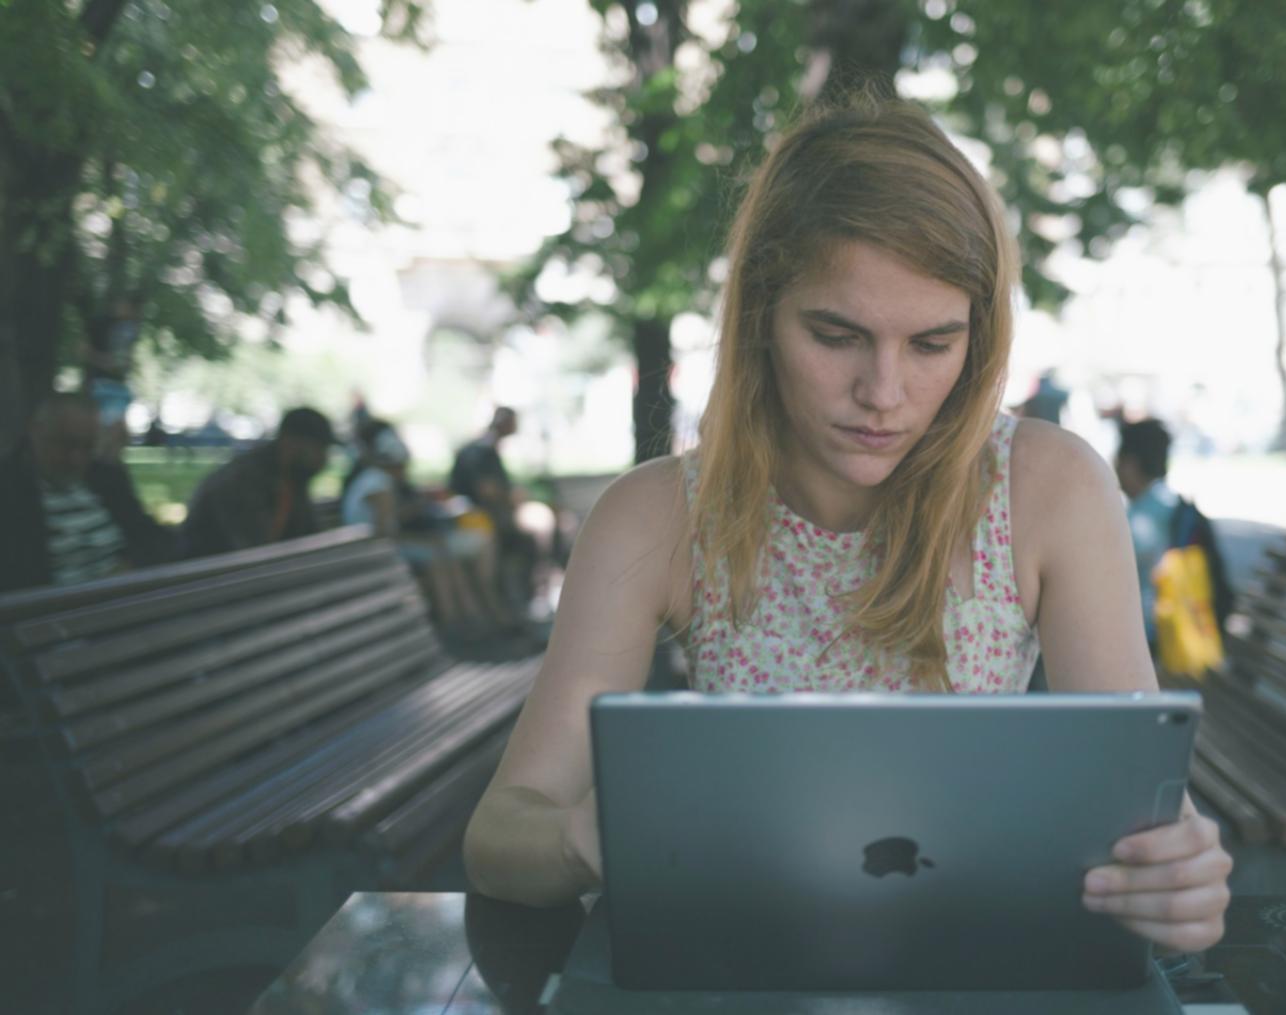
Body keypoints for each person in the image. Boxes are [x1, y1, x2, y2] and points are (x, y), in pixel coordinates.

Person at [463, 96, 1231, 955]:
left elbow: (1146, 809)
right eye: (836, 335)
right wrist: (582, 839)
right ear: (760, 316)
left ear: (977, 341)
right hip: (746, 966)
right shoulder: (657, 516)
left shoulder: (1049, 489)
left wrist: (1179, 881)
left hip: (982, 963)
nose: (884, 392)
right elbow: (499, 836)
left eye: (933, 344)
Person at [343, 419, 516, 635]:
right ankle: (460, 621)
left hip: (370, 549)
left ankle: (469, 619)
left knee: (443, 556)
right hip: (372, 553)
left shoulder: (370, 479)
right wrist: (421, 536)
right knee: (439, 556)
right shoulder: (380, 485)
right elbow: (385, 532)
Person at [0, 391, 175, 594]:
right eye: (66, 444)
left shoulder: (105, 477)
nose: (76, 459)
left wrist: (132, 566)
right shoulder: (9, 489)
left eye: (87, 446)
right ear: (35, 431)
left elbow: (152, 537)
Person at [1114, 418, 1233, 646]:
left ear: (1130, 463)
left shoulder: (1141, 517)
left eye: (1118, 461)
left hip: (1153, 634)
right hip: (1183, 623)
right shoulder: (1172, 503)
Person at [180, 407, 335, 558]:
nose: (324, 460)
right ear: (291, 443)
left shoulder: (291, 478)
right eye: (320, 449)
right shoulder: (242, 482)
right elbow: (251, 553)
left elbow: (309, 534)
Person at [450, 406, 543, 609]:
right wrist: (511, 496)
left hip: (487, 516)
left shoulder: (485, 448)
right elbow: (486, 490)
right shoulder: (481, 451)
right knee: (526, 543)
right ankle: (518, 602)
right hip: (477, 518)